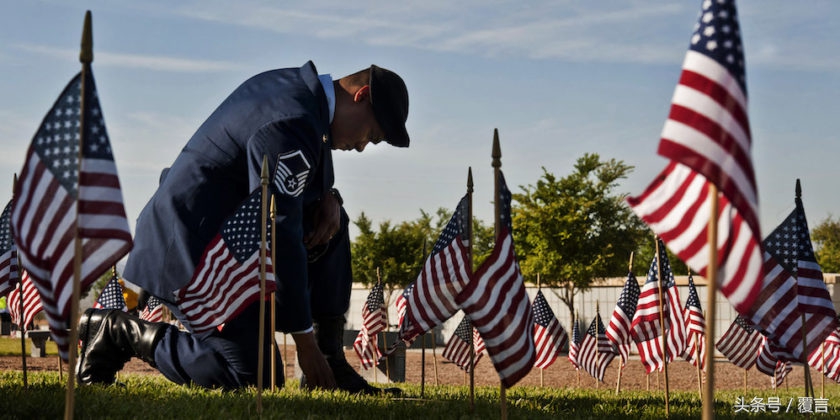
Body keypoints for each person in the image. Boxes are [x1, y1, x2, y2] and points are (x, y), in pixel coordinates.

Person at [76, 61, 409, 394]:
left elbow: (293, 193)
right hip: (191, 247)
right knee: (254, 377)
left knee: (331, 219)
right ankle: (115, 331)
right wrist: (304, 341)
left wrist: (331, 198)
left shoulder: (306, 103)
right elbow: (279, 229)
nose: (363, 146)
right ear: (361, 96)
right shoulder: (294, 119)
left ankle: (331, 362)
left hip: (230, 240)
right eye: (372, 134)